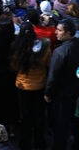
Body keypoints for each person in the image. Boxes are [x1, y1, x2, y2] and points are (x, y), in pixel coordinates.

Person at [45, 19, 79, 150]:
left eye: (59, 30)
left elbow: (53, 76)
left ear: (68, 33)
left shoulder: (60, 52)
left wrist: (48, 93)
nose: (56, 33)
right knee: (78, 126)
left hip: (63, 96)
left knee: (61, 127)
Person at [11, 22, 50, 150]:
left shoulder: (17, 49)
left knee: (25, 117)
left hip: (23, 87)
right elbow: (48, 65)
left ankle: (25, 144)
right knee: (39, 117)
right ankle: (40, 143)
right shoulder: (45, 48)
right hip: (39, 86)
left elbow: (13, 67)